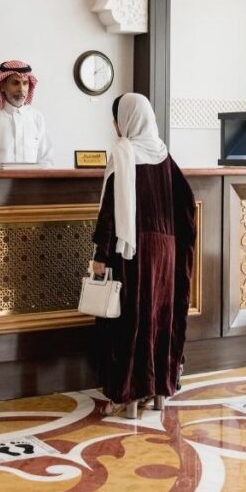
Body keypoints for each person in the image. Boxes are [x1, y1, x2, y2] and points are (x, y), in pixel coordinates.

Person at [90, 93, 196, 418]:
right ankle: (158, 388)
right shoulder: (163, 154)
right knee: (159, 317)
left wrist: (100, 253)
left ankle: (126, 394)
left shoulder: (123, 152)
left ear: (124, 121)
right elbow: (187, 203)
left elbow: (110, 211)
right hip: (166, 249)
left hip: (132, 251)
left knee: (129, 321)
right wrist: (175, 241)